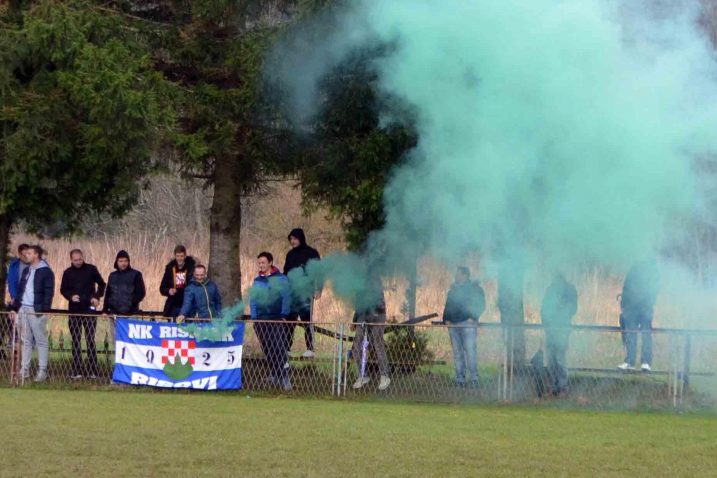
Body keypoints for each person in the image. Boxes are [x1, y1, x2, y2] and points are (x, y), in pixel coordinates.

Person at [9, 245, 54, 382]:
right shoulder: (27, 270)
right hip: (24, 308)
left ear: (36, 255)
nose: (26, 255)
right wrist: (15, 308)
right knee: (25, 340)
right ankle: (25, 369)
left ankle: (42, 370)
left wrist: (43, 310)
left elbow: (49, 292)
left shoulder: (45, 271)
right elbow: (21, 290)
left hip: (36, 310)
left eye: (29, 253)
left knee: (40, 340)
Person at [60, 249, 106, 379]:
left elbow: (102, 284)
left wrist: (96, 297)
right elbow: (63, 289)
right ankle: (76, 370)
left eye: (80, 259)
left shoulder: (91, 269)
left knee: (90, 339)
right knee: (76, 340)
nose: (78, 262)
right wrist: (70, 296)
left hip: (89, 308)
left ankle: (93, 370)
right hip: (74, 309)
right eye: (75, 260)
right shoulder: (67, 273)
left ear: (83, 257)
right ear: (71, 260)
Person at [250, 252, 292, 391]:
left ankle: (285, 377)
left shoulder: (281, 279)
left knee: (279, 348)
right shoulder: (257, 281)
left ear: (270, 262)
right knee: (267, 348)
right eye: (259, 263)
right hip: (261, 320)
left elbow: (286, 297)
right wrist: (254, 317)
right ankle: (274, 374)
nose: (261, 265)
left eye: (263, 262)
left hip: (276, 318)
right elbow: (253, 300)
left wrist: (284, 314)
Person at [442, 266, 486, 386]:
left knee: (470, 352)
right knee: (457, 354)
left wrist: (473, 317)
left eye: (458, 274)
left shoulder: (475, 289)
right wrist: (446, 319)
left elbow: (481, 304)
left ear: (465, 275)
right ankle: (460, 379)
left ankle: (474, 379)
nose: (456, 276)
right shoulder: (453, 291)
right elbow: (448, 306)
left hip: (468, 324)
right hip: (453, 325)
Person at [283, 228, 321, 358]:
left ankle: (310, 349)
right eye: (290, 239)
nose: (292, 241)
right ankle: (287, 349)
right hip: (292, 293)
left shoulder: (312, 253)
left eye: (294, 238)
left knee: (306, 320)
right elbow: (285, 273)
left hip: (306, 292)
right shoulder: (290, 255)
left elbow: (319, 273)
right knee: (289, 321)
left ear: (301, 238)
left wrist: (318, 289)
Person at [540, 273, 578, 396]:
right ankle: (553, 386)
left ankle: (563, 387)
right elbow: (544, 309)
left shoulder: (569, 290)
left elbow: (573, 309)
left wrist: (562, 316)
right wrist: (546, 324)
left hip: (563, 329)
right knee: (551, 360)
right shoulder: (550, 290)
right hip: (550, 329)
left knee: (560, 358)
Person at [618, 260, 659, 372]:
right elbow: (626, 288)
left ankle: (645, 362)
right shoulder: (634, 268)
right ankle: (630, 361)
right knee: (631, 333)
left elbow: (655, 289)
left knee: (645, 333)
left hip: (645, 307)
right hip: (633, 308)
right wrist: (625, 304)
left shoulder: (652, 270)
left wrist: (648, 301)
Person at [351, 277, 391, 391]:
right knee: (356, 346)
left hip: (377, 313)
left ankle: (385, 375)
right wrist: (355, 320)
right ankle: (362, 375)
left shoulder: (374, 276)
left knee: (378, 344)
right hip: (363, 314)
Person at [103, 250, 146, 316]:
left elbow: (141, 293)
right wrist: (105, 310)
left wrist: (130, 303)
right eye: (121, 261)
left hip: (131, 314)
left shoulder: (136, 274)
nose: (123, 263)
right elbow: (107, 294)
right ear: (116, 262)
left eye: (126, 261)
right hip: (114, 313)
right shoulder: (112, 275)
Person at [159, 245, 196, 321]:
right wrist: (169, 291)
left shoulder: (192, 268)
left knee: (187, 328)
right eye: (177, 256)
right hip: (173, 304)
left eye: (181, 256)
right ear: (175, 256)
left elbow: (195, 286)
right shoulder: (169, 268)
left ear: (185, 256)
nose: (179, 258)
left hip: (187, 303)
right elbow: (162, 288)